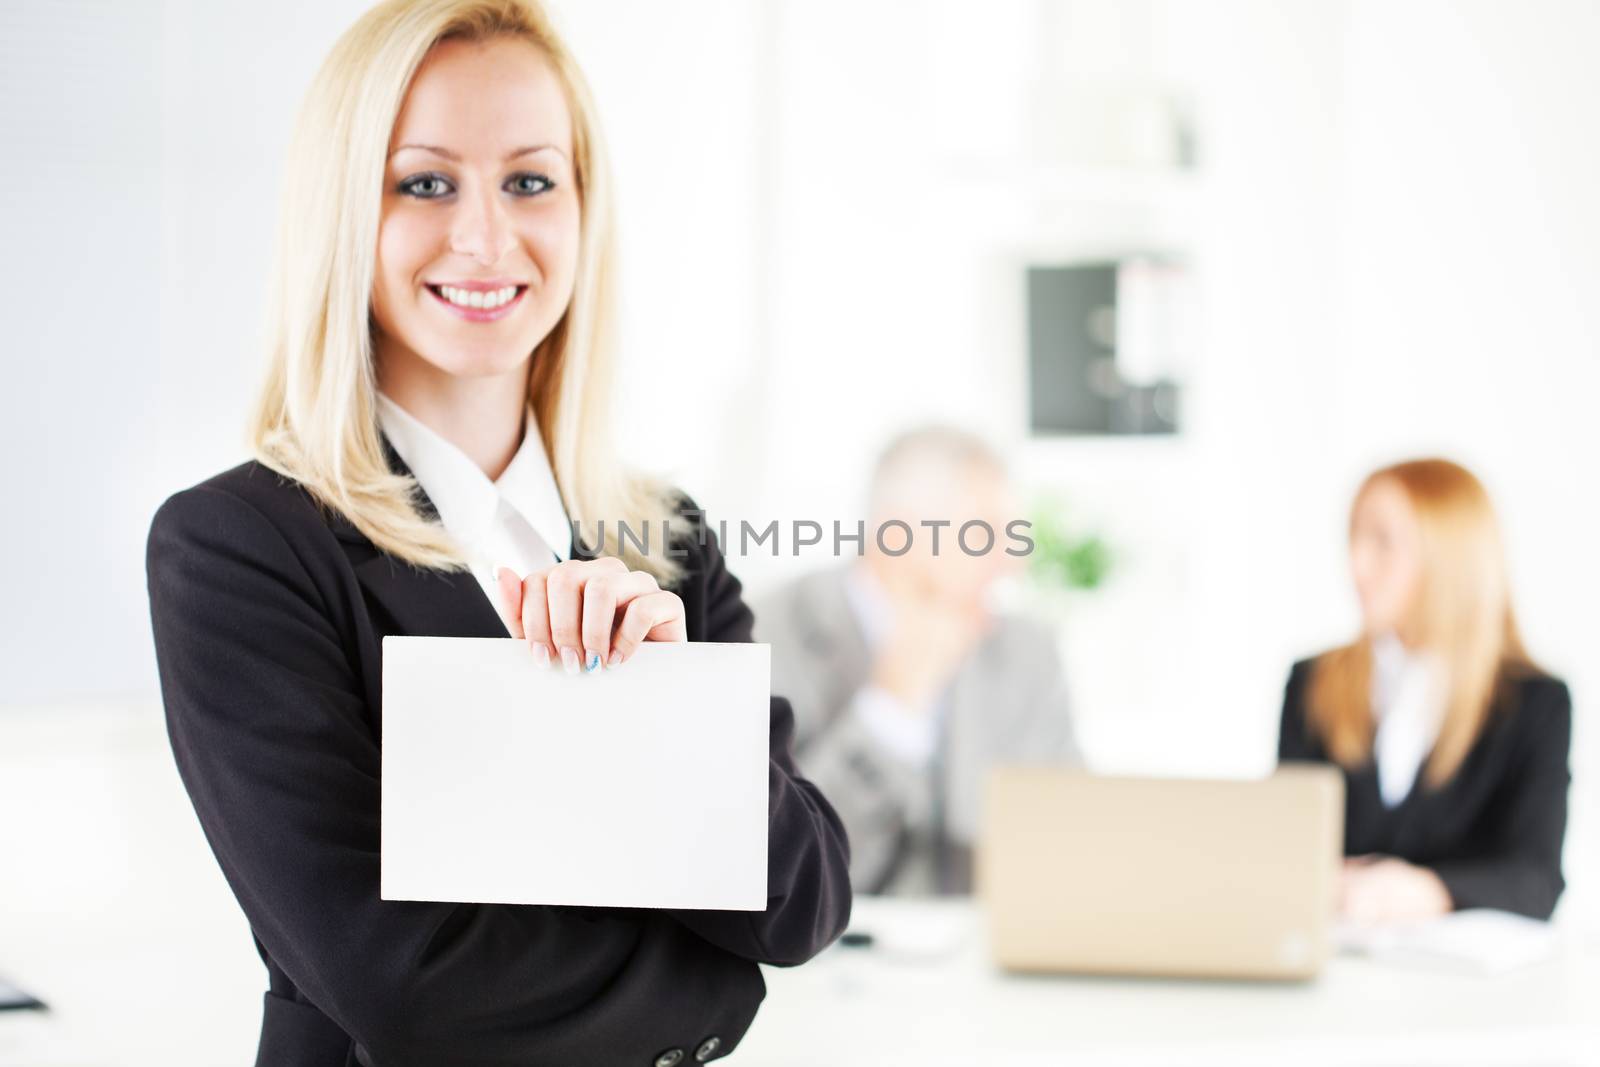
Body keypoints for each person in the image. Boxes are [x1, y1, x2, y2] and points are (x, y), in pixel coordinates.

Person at [144, 2, 851, 1063]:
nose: (485, 236)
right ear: (343, 212)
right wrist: (706, 981)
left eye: (530, 180)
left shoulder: (664, 539)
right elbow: (402, 987)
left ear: (582, 210)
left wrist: (660, 715)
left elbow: (804, 898)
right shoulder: (239, 546)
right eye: (423, 182)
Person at [752, 425, 1081, 896]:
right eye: (985, 533)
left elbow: (1075, 839)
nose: (1011, 562)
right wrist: (889, 710)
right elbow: (776, 868)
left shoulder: (1029, 653)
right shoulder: (768, 632)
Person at [1278, 458, 1571, 924]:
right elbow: (1281, 847)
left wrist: (1422, 890)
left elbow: (1535, 879)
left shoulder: (1534, 702)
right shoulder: (1313, 681)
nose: (1357, 564)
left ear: (1448, 556)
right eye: (1353, 536)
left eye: (1382, 542)